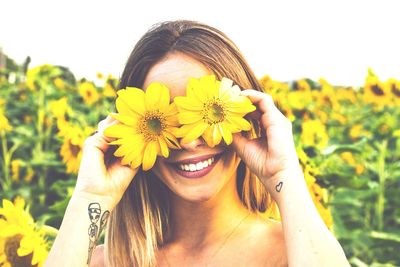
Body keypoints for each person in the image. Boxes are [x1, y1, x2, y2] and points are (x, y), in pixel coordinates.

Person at [45, 20, 350, 267]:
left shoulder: (294, 254)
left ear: (247, 115)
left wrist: (284, 174)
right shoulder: (104, 261)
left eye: (205, 115)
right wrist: (89, 197)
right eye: (168, 120)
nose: (190, 141)